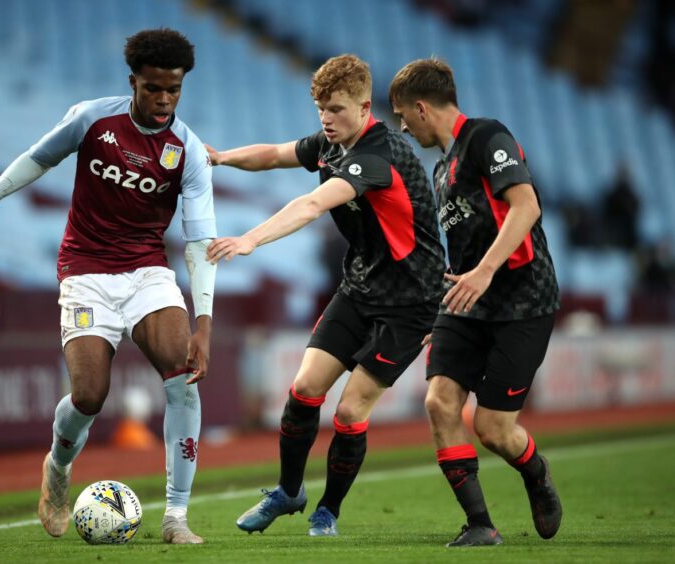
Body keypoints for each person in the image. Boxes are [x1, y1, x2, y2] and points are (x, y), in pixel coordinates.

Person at [0, 28, 217, 545]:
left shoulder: (187, 150)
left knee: (182, 377)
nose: (164, 99)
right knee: (90, 395)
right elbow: (40, 155)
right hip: (85, 271)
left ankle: (175, 517)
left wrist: (204, 322)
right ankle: (57, 467)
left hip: (147, 270)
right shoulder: (93, 118)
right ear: (133, 83)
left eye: (174, 89)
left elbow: (199, 240)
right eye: (153, 89)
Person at [206, 54, 445, 537]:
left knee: (351, 410)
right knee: (304, 389)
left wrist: (251, 238)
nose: (326, 119)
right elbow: (275, 154)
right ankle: (289, 493)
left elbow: (314, 203)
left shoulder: (380, 155)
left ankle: (328, 512)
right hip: (359, 289)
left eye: (335, 109)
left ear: (363, 106)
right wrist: (223, 157)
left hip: (410, 303)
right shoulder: (331, 144)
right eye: (320, 110)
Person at [389, 58, 562, 547]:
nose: (401, 125)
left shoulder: (488, 137)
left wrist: (485, 271)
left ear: (421, 108)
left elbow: (526, 206)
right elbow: (460, 250)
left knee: (492, 428)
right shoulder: (442, 170)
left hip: (523, 298)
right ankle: (481, 525)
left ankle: (534, 471)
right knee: (439, 402)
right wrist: (445, 309)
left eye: (403, 114)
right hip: (466, 302)